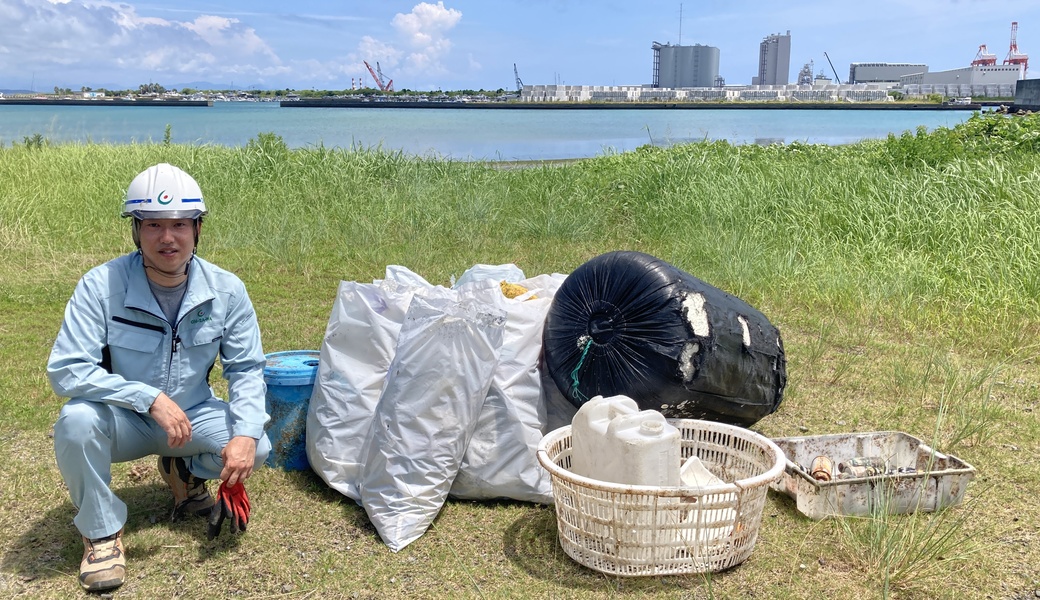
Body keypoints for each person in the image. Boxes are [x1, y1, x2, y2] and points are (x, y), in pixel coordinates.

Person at [47, 163, 271, 592]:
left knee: (257, 444)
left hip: (192, 415)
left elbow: (245, 369)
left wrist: (244, 433)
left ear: (197, 228)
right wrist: (145, 397)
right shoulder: (100, 285)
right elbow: (66, 369)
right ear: (135, 230)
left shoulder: (227, 290)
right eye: (153, 225)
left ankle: (183, 473)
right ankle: (101, 533)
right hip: (122, 419)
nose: (167, 238)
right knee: (75, 422)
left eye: (180, 225)